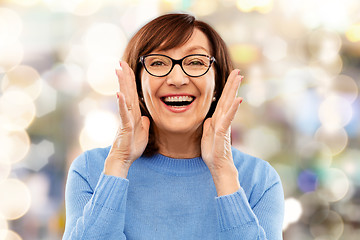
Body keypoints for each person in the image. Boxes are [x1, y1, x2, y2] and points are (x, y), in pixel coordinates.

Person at [63, 13, 284, 240]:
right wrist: (119, 162)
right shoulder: (91, 170)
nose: (177, 79)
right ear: (137, 83)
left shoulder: (260, 180)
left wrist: (222, 170)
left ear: (218, 83)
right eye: (158, 62)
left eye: (196, 62)